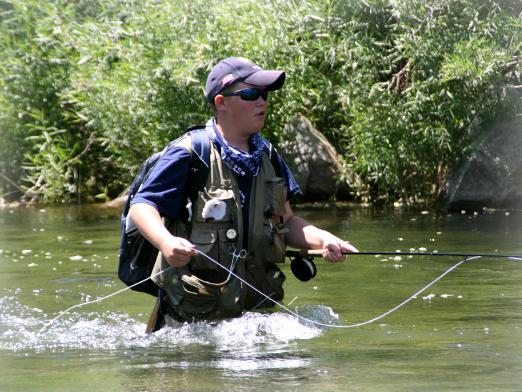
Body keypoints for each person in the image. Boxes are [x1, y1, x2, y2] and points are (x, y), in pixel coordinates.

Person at [128, 57, 358, 329]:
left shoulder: (268, 156)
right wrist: (166, 242)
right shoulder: (190, 152)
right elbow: (142, 207)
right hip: (186, 324)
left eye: (264, 94)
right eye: (250, 94)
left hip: (254, 320)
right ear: (221, 103)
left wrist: (324, 240)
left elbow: (287, 221)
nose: (262, 102)